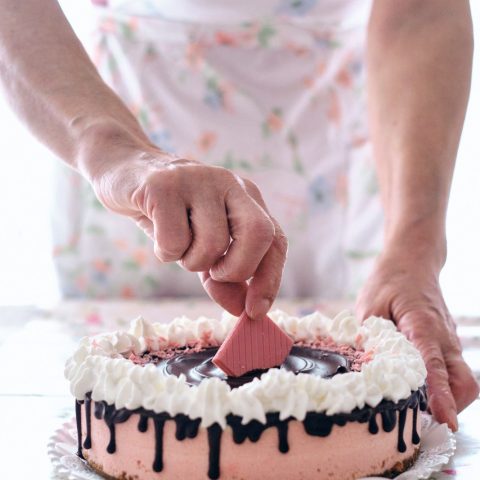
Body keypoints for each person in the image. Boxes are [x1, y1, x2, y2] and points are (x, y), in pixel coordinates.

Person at [0, 0, 477, 430]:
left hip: (339, 144)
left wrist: (414, 245)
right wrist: (117, 152)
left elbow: (422, 8)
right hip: (117, 117)